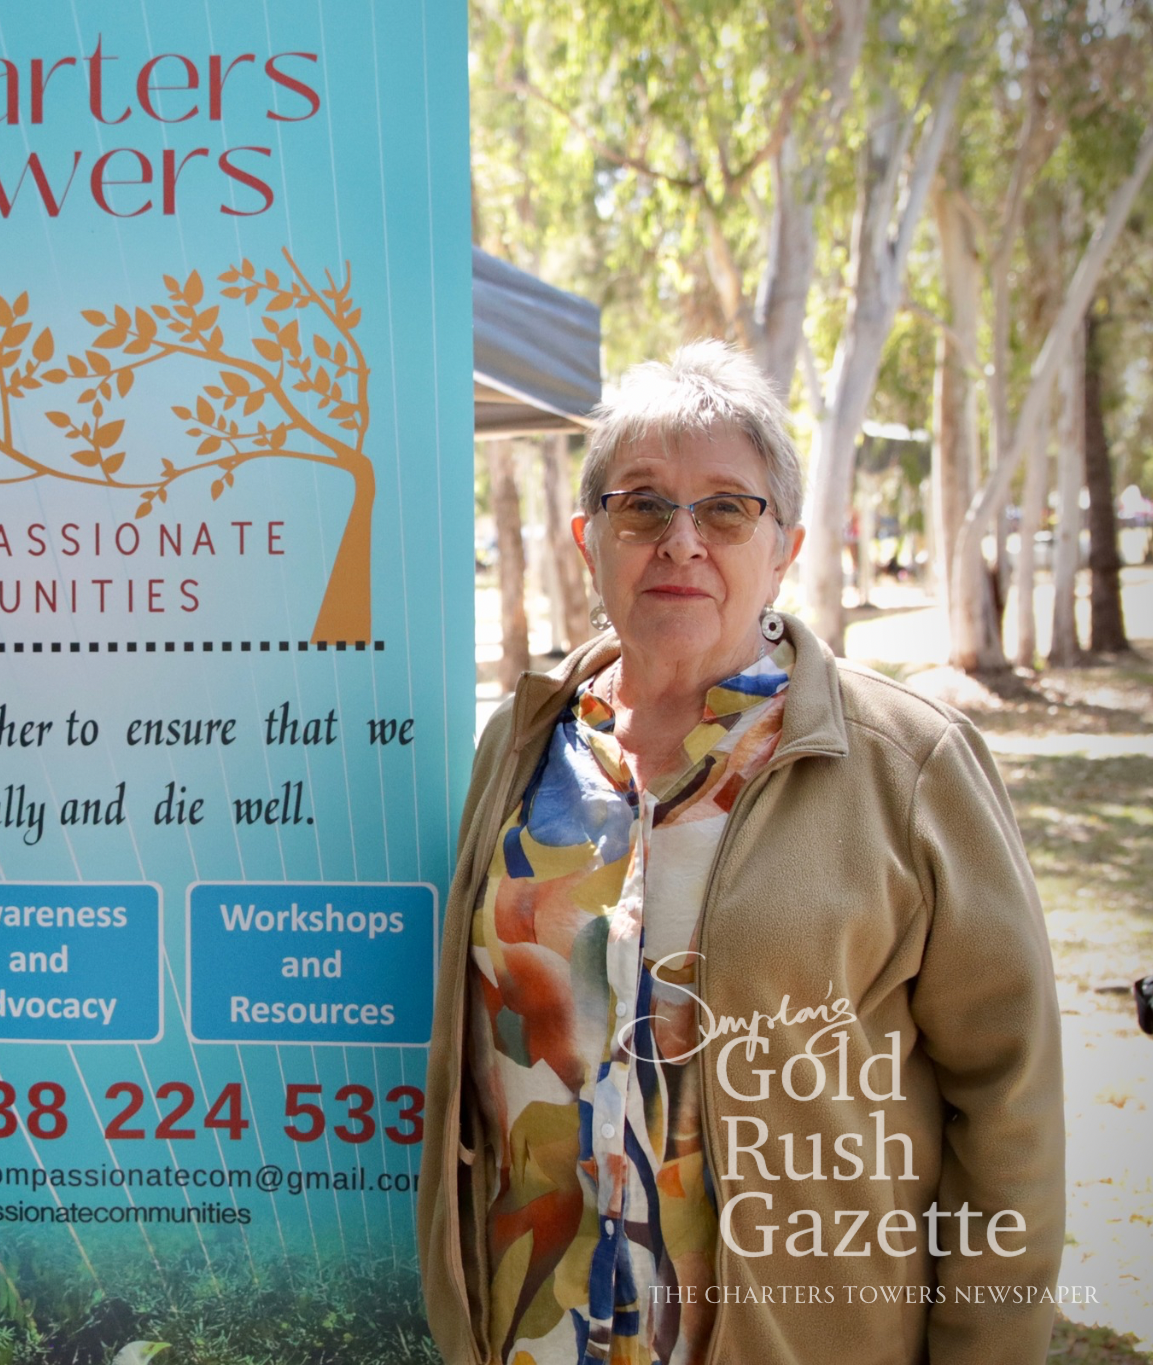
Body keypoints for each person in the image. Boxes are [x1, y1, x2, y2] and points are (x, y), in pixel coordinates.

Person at [418, 342, 1064, 1365]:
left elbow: (1005, 1102)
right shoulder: (522, 742)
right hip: (536, 1339)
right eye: (641, 506)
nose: (679, 541)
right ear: (587, 537)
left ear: (785, 546)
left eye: (725, 508)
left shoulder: (908, 765)